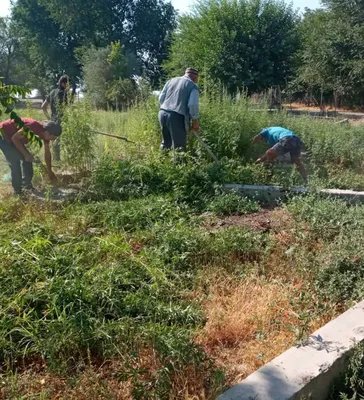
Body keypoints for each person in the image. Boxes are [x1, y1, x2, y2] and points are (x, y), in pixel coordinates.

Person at [0, 118, 62, 195]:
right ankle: (18, 191)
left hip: (14, 137)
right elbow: (14, 138)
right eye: (53, 137)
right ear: (47, 133)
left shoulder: (45, 134)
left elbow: (47, 154)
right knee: (15, 163)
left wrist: (50, 171)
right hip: (3, 135)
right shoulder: (31, 127)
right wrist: (26, 155)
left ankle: (27, 186)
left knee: (28, 160)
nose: (53, 140)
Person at [158, 67, 200, 151]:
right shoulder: (192, 86)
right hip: (176, 117)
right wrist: (194, 121)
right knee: (179, 147)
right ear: (195, 77)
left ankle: (161, 162)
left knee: (166, 143)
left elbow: (161, 99)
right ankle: (178, 164)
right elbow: (192, 104)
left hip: (162, 113)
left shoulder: (171, 81)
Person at [41, 75, 69, 161]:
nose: (68, 86)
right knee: (68, 140)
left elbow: (43, 106)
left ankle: (56, 160)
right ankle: (69, 159)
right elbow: (66, 108)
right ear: (63, 84)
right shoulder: (63, 93)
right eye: (68, 84)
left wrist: (49, 118)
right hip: (62, 120)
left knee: (55, 141)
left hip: (53, 120)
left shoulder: (52, 92)